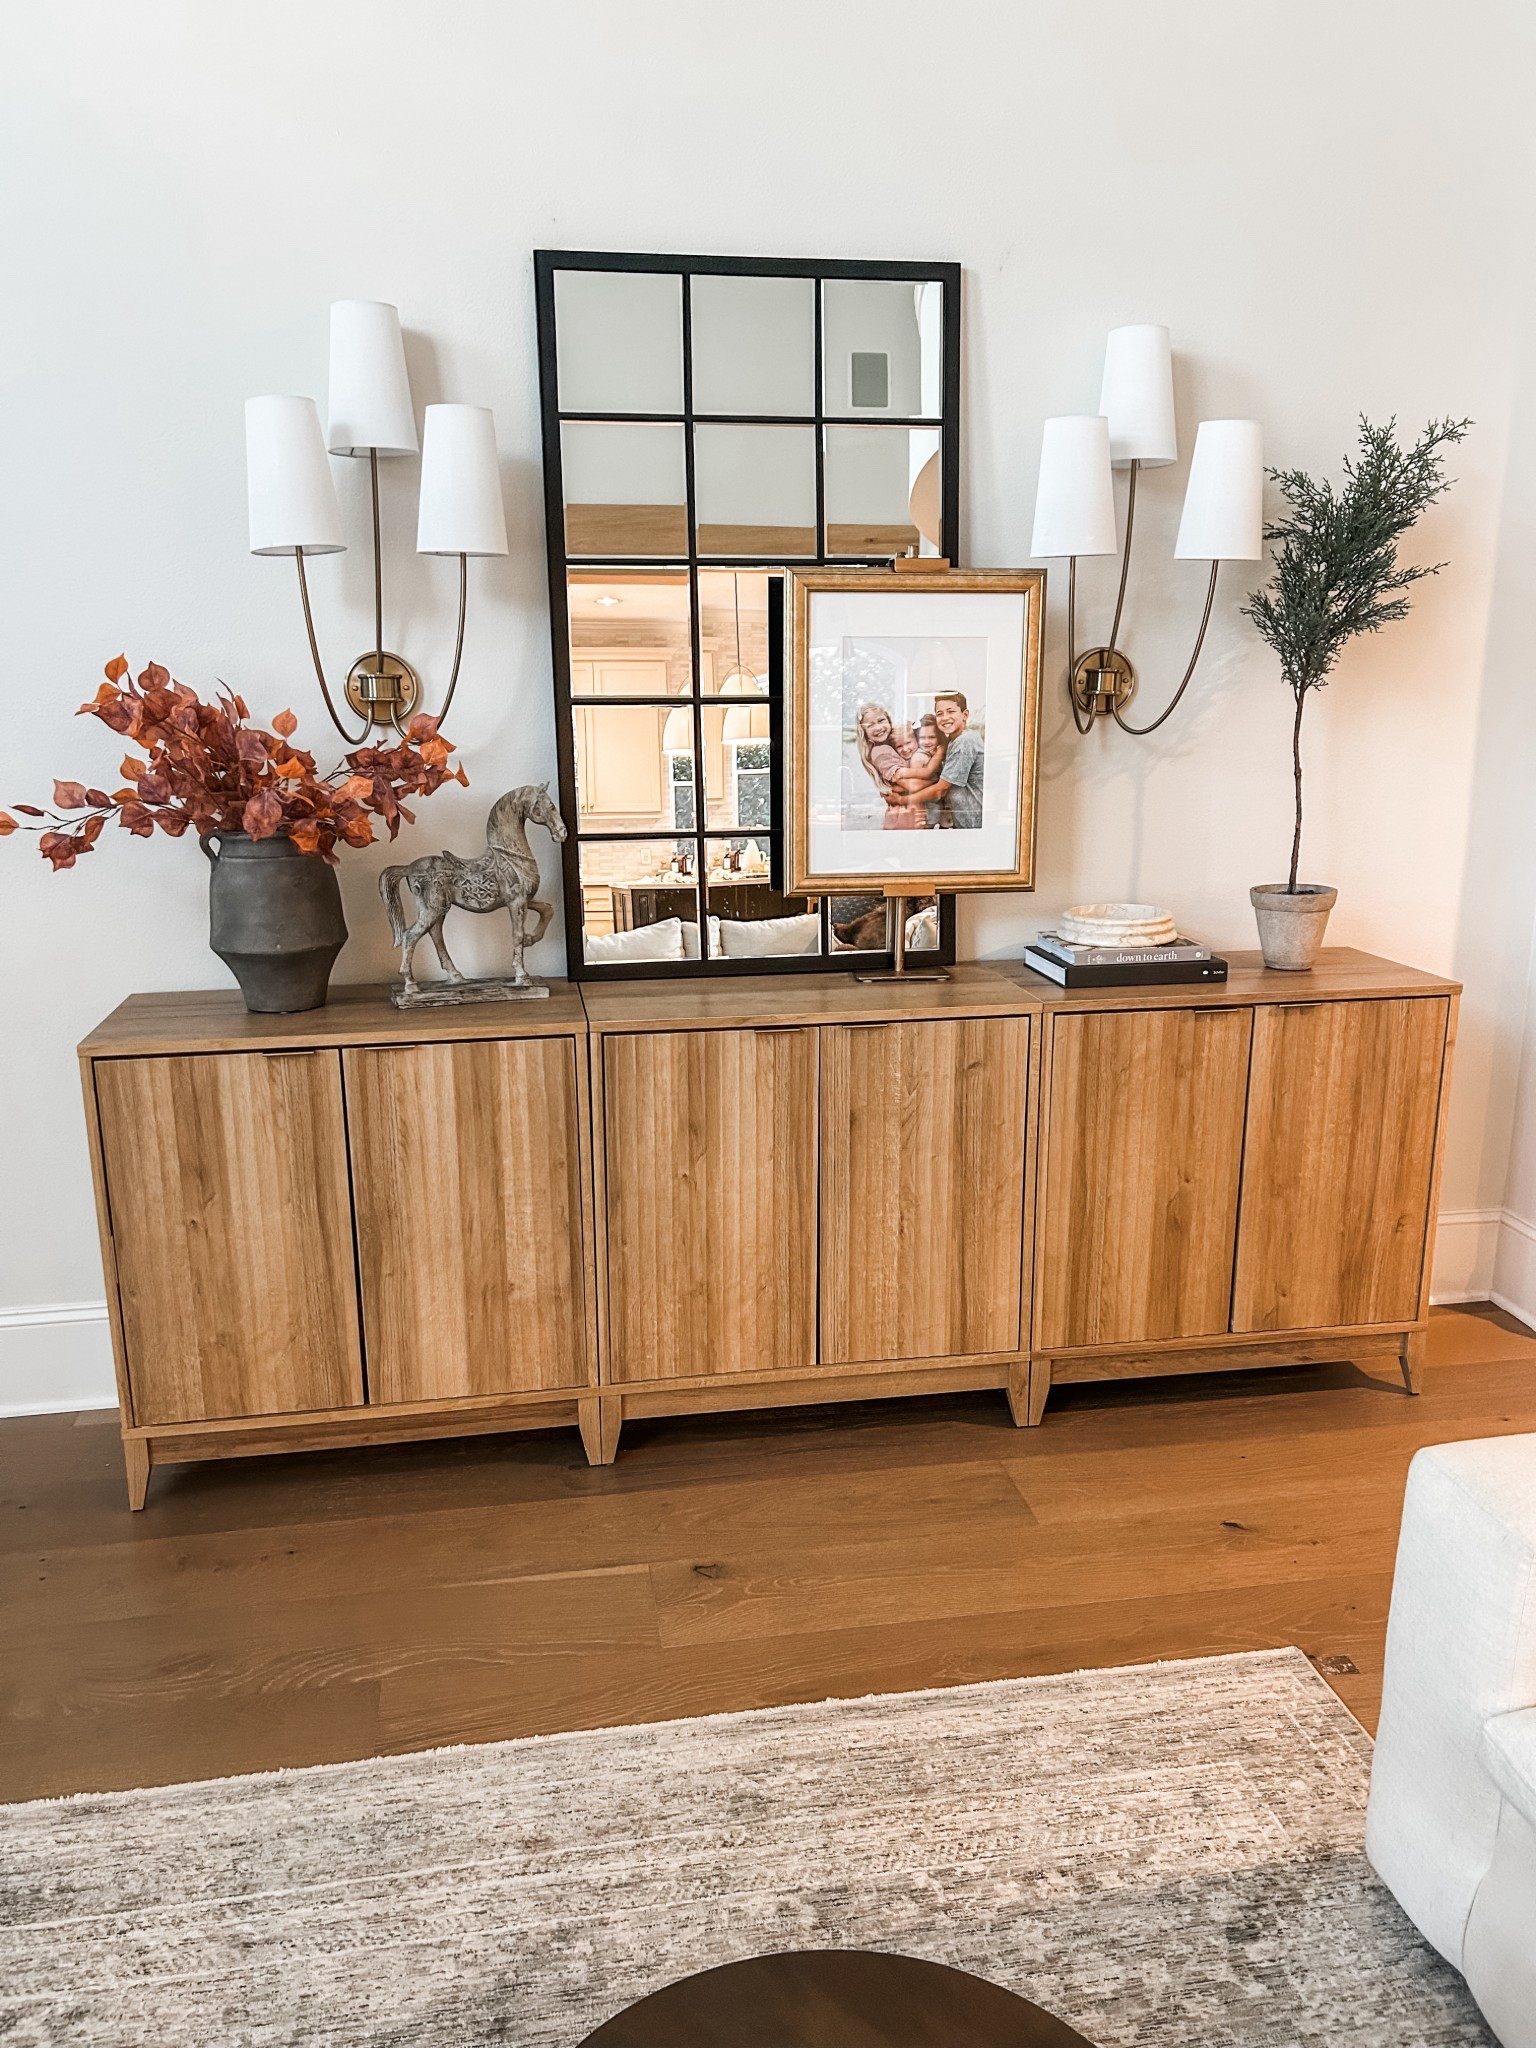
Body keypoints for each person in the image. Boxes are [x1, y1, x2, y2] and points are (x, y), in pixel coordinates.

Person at [854, 702, 929, 831]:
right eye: (870, 725)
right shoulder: (881, 751)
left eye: (881, 720)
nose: (878, 727)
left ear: (889, 721)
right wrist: (939, 780)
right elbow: (913, 786)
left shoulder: (892, 745)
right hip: (905, 819)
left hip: (908, 815)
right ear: (864, 732)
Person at [914, 690, 983, 829]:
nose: (945, 717)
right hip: (962, 823)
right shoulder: (952, 741)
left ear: (965, 715)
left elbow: (941, 789)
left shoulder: (965, 741)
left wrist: (904, 799)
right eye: (940, 713)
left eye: (951, 711)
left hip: (973, 825)